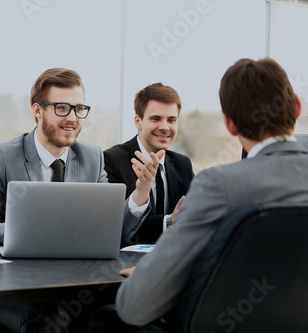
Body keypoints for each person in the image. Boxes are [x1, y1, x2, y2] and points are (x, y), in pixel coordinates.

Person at [0, 68, 163, 332]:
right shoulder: (1, 156)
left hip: (77, 283)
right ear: (37, 110)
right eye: (62, 108)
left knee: (139, 308)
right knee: (50, 321)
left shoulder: (91, 156)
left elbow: (114, 229)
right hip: (16, 288)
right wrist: (32, 233)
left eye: (79, 109)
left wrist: (141, 191)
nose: (72, 118)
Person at [115, 58, 308, 328]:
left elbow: (133, 307)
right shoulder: (115, 158)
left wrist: (154, 277)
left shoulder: (219, 183)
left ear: (229, 124)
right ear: (297, 107)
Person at [104, 83, 193, 245]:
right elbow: (114, 228)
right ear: (138, 121)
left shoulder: (183, 164)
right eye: (156, 118)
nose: (165, 127)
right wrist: (169, 222)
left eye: (171, 120)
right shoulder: (111, 160)